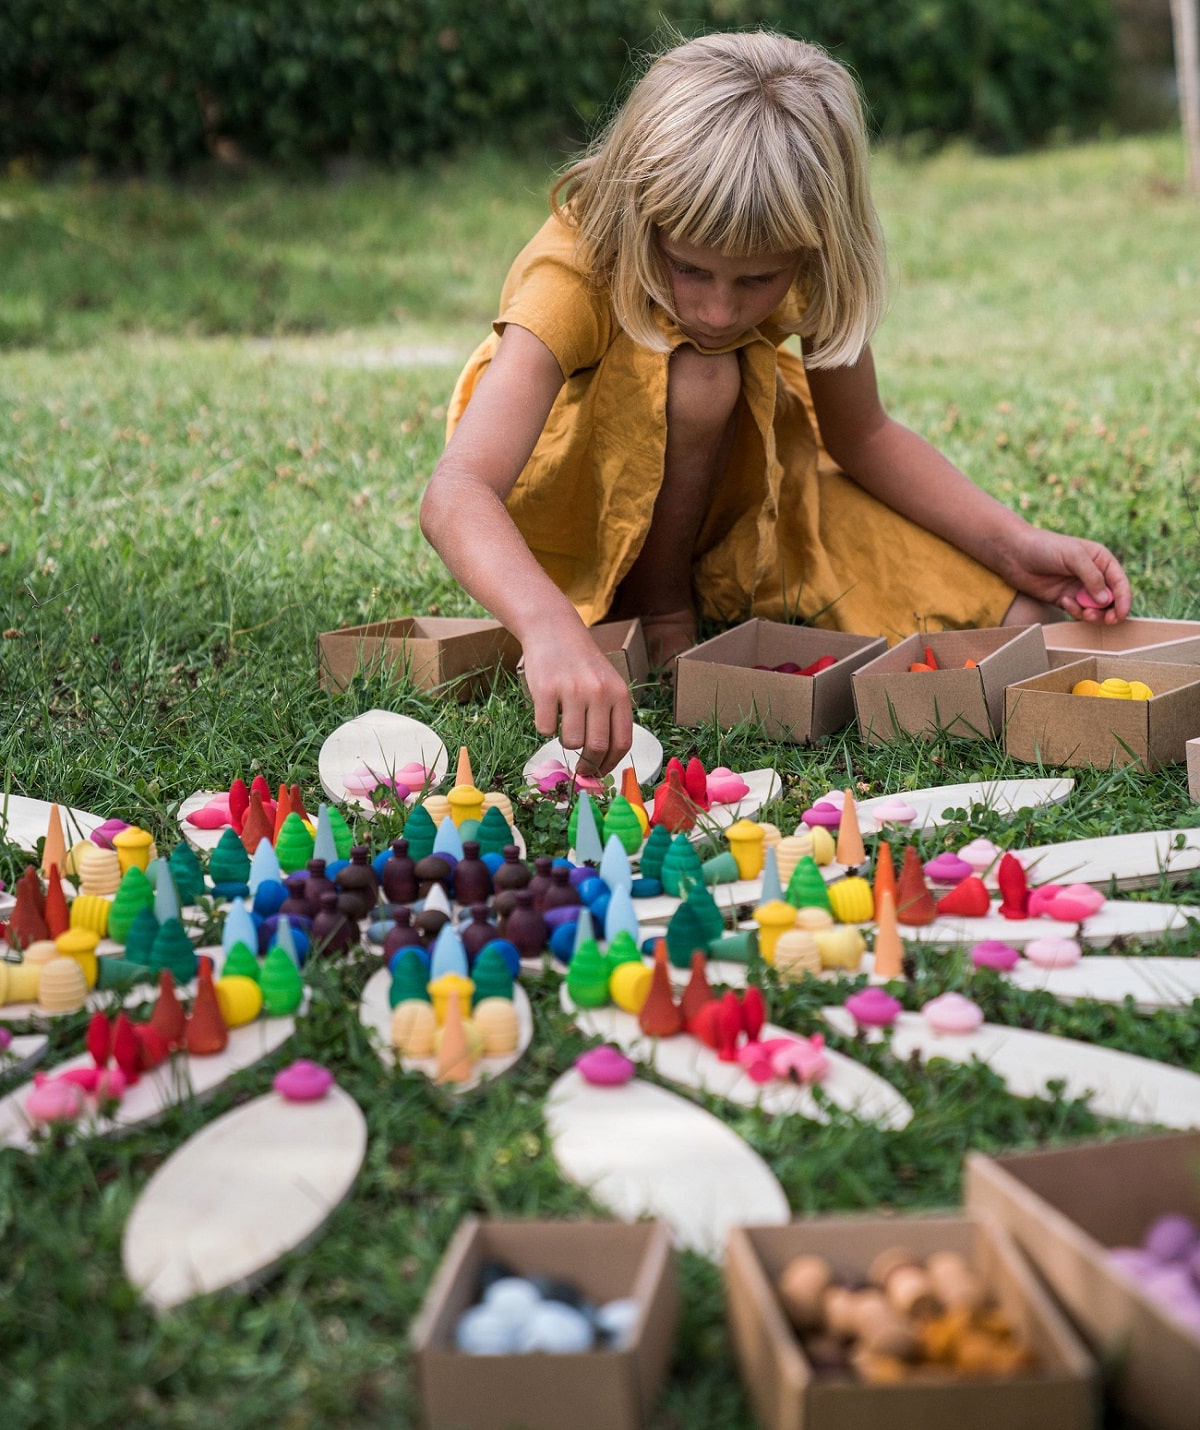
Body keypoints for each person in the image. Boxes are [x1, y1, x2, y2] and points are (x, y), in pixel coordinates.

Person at [420, 30, 1131, 775]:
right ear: (641, 214)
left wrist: (1014, 546)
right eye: (689, 269)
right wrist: (549, 628)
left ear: (815, 244)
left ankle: (695, 580)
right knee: (705, 373)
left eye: (756, 282)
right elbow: (457, 490)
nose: (720, 310)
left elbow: (863, 437)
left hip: (738, 486)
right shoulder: (575, 267)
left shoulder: (812, 255)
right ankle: (658, 608)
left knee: (1016, 617)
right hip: (564, 504)